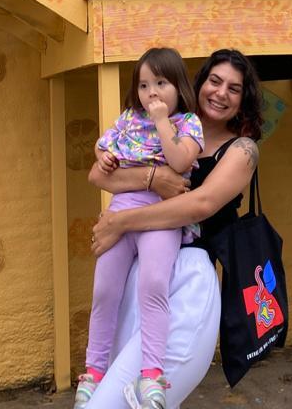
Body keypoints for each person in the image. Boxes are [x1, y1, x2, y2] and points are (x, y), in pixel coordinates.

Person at [84, 48, 264, 409]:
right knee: (119, 384)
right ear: (196, 84)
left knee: (126, 398)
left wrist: (120, 221)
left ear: (243, 99)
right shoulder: (161, 126)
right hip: (140, 268)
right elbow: (99, 176)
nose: (220, 93)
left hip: (188, 277)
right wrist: (154, 178)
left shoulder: (242, 150)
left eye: (233, 88)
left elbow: (199, 204)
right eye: (214, 81)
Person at [77, 48, 204, 409]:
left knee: (152, 285)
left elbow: (180, 160)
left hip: (162, 217)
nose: (152, 93)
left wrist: (163, 121)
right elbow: (100, 160)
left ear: (179, 87)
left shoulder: (188, 124)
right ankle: (94, 370)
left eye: (161, 83)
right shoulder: (128, 120)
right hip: (121, 213)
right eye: (145, 84)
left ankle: (151, 373)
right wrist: (104, 156)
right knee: (104, 291)